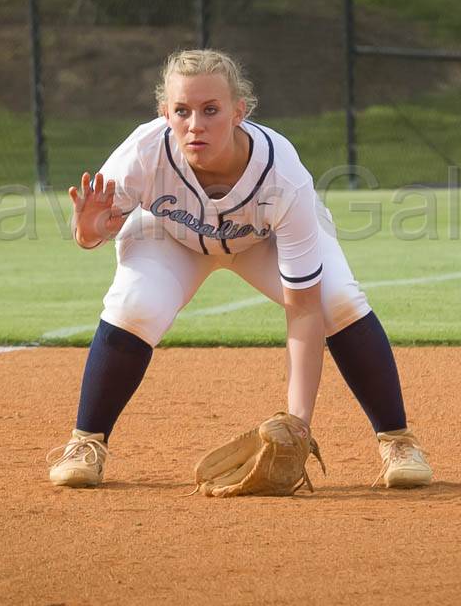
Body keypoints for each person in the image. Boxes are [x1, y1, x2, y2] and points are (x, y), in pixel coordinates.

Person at [46, 49, 433, 491]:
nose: (196, 124)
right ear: (164, 113)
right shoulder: (143, 152)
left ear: (238, 112)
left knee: (337, 301)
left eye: (211, 110)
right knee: (135, 305)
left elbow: (303, 308)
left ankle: (397, 441)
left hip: (260, 243)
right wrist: (88, 231)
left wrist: (297, 426)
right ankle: (86, 442)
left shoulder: (281, 174)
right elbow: (92, 232)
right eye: (182, 111)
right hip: (174, 238)